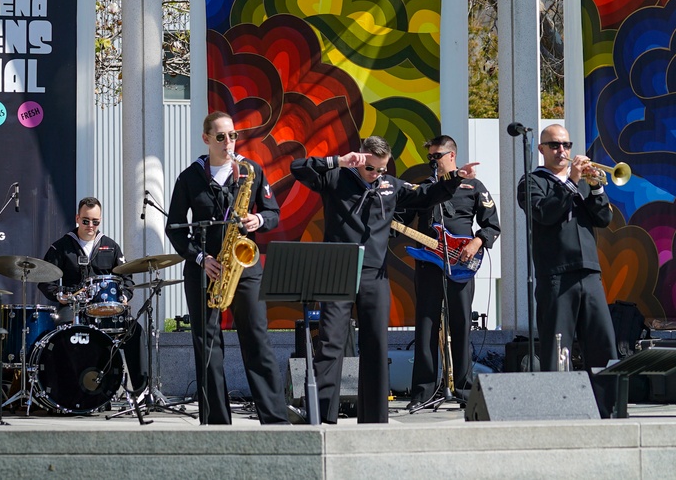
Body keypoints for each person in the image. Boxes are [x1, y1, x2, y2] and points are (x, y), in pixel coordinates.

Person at [290, 136, 478, 424]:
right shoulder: (337, 178)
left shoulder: (391, 186)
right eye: (371, 169)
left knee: (376, 343)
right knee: (331, 343)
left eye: (381, 169)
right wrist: (337, 161)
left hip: (374, 273)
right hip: (337, 268)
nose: (376, 175)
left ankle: (374, 418)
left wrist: (454, 178)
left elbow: (427, 195)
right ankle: (321, 413)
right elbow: (298, 168)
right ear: (360, 160)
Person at [165, 111, 289, 425]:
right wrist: (199, 258)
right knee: (207, 344)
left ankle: (274, 418)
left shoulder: (250, 171)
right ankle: (216, 421)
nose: (228, 142)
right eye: (221, 136)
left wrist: (257, 220)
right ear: (206, 138)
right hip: (205, 268)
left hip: (243, 264)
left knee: (256, 338)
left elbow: (272, 212)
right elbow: (175, 228)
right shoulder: (190, 177)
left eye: (232, 135)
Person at [516, 124, 617, 418]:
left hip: (589, 272)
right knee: (556, 346)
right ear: (542, 150)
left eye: (566, 145)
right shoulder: (532, 181)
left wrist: (596, 187)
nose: (562, 151)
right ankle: (556, 409)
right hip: (556, 274)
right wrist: (571, 182)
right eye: (555, 145)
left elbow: (603, 219)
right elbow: (544, 213)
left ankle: (606, 407)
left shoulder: (584, 182)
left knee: (603, 343)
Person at [396, 135, 500, 408]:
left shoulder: (474, 186)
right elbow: (401, 218)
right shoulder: (424, 189)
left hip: (462, 265)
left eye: (437, 156)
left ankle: (465, 390)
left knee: (461, 324)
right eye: (429, 157)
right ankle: (423, 392)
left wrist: (477, 242)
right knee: (426, 325)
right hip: (429, 263)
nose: (432, 161)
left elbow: (492, 225)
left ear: (451, 155)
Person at [37, 197, 147, 395]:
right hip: (73, 308)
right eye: (86, 220)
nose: (90, 225)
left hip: (107, 310)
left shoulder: (111, 246)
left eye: (95, 221)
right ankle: (66, 389)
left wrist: (124, 296)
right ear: (77, 218)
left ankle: (140, 391)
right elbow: (45, 280)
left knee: (135, 330)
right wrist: (61, 296)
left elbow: (127, 278)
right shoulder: (61, 247)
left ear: (100, 221)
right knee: (63, 332)